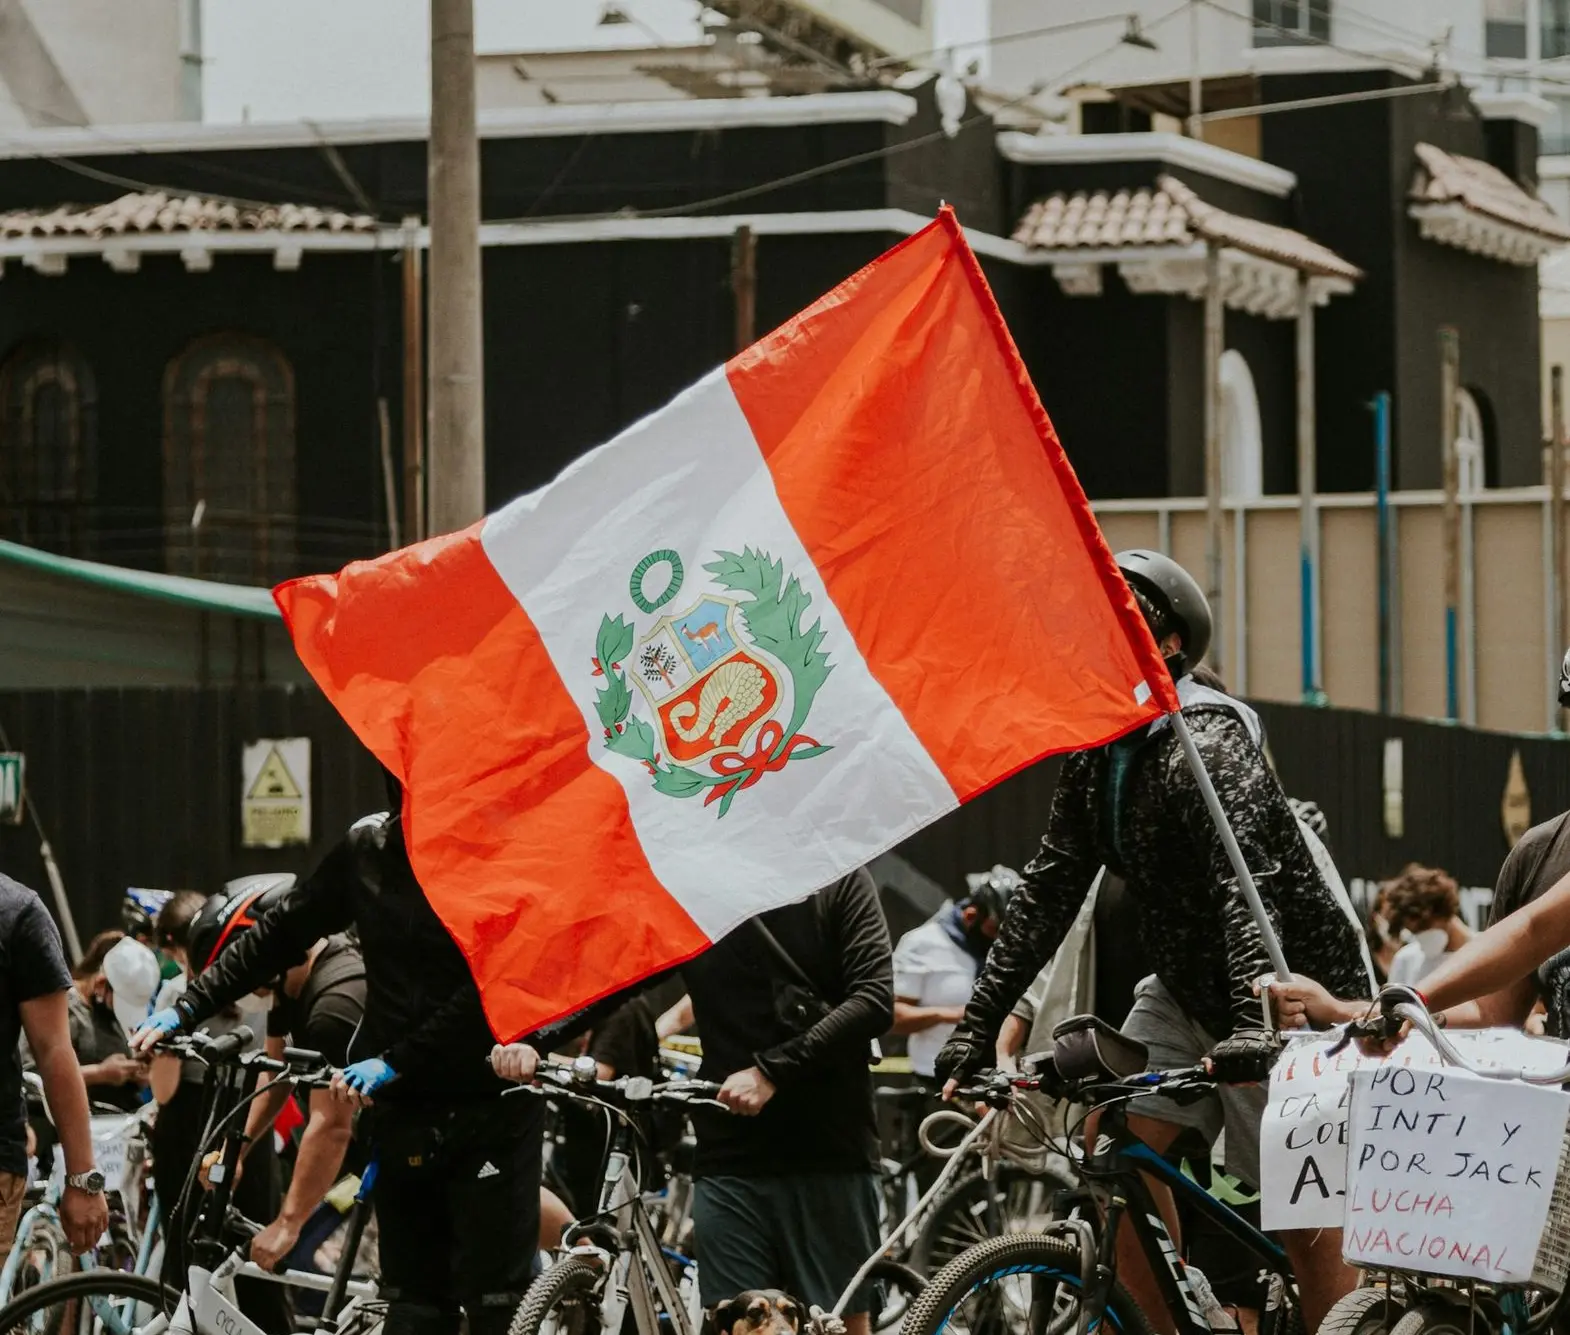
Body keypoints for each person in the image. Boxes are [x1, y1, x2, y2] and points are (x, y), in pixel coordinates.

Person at [934, 549, 1373, 1335]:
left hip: (1288, 990)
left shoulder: (1205, 739)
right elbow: (1046, 890)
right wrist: (976, 1025)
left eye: (1116, 620)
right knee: (1111, 1145)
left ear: (1166, 644)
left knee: (1307, 1225)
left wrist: (1252, 1019)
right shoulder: (1098, 751)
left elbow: (1248, 885)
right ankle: (1165, 1321)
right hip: (1186, 989)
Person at [136, 799, 543, 1335]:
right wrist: (189, 1006)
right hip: (404, 1110)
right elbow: (277, 934)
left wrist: (289, 1223)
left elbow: (487, 991)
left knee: (495, 1305)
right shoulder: (367, 851)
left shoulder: (489, 857)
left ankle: (573, 1246)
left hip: (486, 1100)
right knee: (414, 1306)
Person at [495, 869, 893, 1335]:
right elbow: (618, 978)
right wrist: (535, 1039)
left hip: (827, 1147)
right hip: (729, 1147)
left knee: (839, 1324)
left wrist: (771, 1071)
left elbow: (874, 998)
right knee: (733, 1322)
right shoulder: (703, 895)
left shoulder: (839, 878)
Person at [183, 876, 367, 1273]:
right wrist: (236, 1153)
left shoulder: (333, 1005)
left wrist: (288, 1223)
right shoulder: (290, 986)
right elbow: (278, 1075)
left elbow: (332, 1124)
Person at [0, 871, 109, 1251]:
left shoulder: (16, 913)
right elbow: (53, 1051)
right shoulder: (17, 910)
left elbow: (54, 1053)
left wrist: (82, 1177)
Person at [890, 866, 1020, 1082]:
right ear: (971, 916)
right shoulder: (922, 944)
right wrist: (955, 1014)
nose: (999, 939)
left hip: (998, 1075)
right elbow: (894, 1017)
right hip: (936, 1077)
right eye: (993, 930)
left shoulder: (1010, 947)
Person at [61, 930, 149, 1112]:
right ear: (101, 984)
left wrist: (137, 1075)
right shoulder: (64, 1007)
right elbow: (36, 1078)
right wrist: (99, 1073)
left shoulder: (108, 1013)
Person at [1381, 864, 1472, 987]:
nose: (1422, 935)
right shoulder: (1405, 960)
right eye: (1414, 932)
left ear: (1443, 911)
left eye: (1424, 927)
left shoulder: (1484, 953)